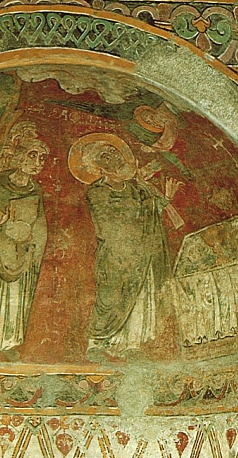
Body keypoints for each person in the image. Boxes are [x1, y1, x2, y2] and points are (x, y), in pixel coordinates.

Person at [68, 133, 181, 360]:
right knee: (110, 298)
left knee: (137, 296)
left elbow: (148, 213)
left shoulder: (134, 189)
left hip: (139, 252)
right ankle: (97, 343)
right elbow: (105, 224)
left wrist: (165, 199)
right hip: (115, 253)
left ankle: (131, 345)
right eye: (106, 156)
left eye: (115, 152)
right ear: (98, 166)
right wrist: (126, 236)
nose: (114, 157)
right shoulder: (97, 191)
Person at [0, 122, 49, 357]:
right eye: (32, 155)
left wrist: (21, 233)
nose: (37, 162)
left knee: (16, 299)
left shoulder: (36, 190)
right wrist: (1, 224)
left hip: (23, 256)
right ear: (20, 155)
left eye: (42, 158)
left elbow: (38, 227)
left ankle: (9, 342)